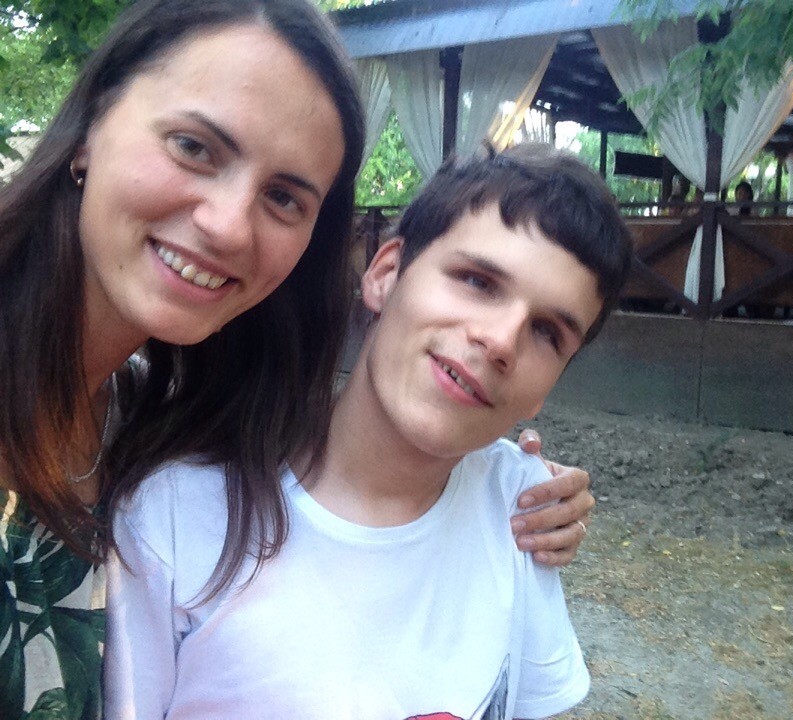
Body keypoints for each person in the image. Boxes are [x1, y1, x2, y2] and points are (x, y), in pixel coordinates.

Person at [0, 2, 592, 718]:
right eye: (194, 147)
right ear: (90, 127)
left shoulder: (142, 417)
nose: (228, 226)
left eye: (283, 197)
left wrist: (517, 487)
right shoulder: (166, 477)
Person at [106, 144, 633, 718]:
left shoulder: (521, 507)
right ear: (385, 275)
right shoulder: (176, 515)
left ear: (548, 388)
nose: (502, 340)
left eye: (548, 333)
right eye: (477, 281)